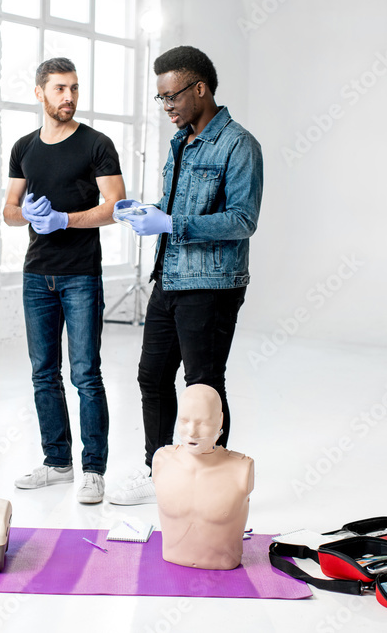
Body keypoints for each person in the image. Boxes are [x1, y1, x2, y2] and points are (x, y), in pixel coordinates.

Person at [108, 45, 263, 506]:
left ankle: (213, 483)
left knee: (204, 386)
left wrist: (173, 224)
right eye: (160, 99)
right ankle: (159, 470)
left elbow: (242, 220)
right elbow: (179, 203)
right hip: (169, 278)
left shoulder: (239, 144)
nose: (166, 107)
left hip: (212, 285)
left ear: (200, 89)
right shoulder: (182, 142)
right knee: (152, 377)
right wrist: (148, 211)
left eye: (171, 97)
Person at [3, 57, 126, 504]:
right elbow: (9, 211)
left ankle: (93, 469)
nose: (69, 97)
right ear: (39, 93)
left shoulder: (96, 144)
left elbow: (115, 205)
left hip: (80, 275)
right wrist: (27, 216)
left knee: (86, 374)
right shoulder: (24, 147)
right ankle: (57, 463)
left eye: (74, 88)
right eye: (59, 89)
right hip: (36, 275)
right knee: (43, 373)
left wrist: (64, 219)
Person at [153, 384, 254, 570]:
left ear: (220, 420)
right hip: (171, 561)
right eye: (184, 421)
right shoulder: (161, 460)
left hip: (224, 569)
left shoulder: (241, 468)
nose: (192, 432)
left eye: (203, 423)